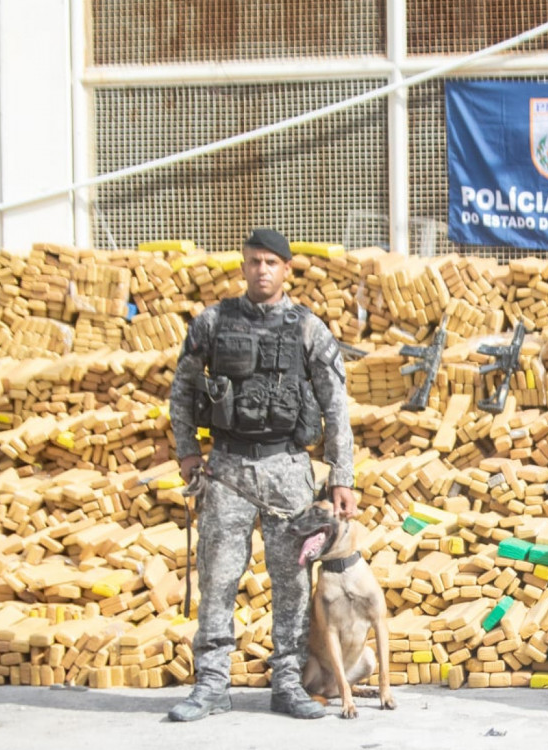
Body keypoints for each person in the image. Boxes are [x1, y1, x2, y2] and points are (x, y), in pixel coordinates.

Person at [166, 228, 356, 722]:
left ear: (287, 269)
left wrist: (342, 476)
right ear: (243, 266)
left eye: (271, 262)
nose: (262, 270)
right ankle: (211, 684)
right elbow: (182, 389)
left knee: (292, 581)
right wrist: (188, 451)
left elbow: (336, 405)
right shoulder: (212, 322)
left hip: (288, 470)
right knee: (219, 576)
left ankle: (288, 682)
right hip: (227, 468)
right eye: (253, 261)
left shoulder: (308, 329)